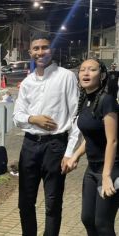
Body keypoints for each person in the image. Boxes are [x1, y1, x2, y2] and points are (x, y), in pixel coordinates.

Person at [13, 32, 81, 236]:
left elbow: (75, 116)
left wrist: (69, 153)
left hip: (55, 147)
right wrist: (33, 119)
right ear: (30, 51)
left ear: (52, 50)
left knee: (52, 203)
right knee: (25, 202)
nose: (40, 52)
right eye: (36, 48)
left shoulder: (66, 77)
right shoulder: (27, 82)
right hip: (30, 145)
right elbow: (17, 115)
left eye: (45, 47)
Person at [63, 58, 119, 236]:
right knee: (87, 219)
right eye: (82, 70)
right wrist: (75, 156)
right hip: (92, 168)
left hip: (112, 169)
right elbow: (92, 137)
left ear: (102, 75)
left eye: (92, 70)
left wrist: (107, 175)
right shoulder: (86, 100)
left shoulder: (107, 101)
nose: (86, 73)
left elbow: (112, 140)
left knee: (102, 223)